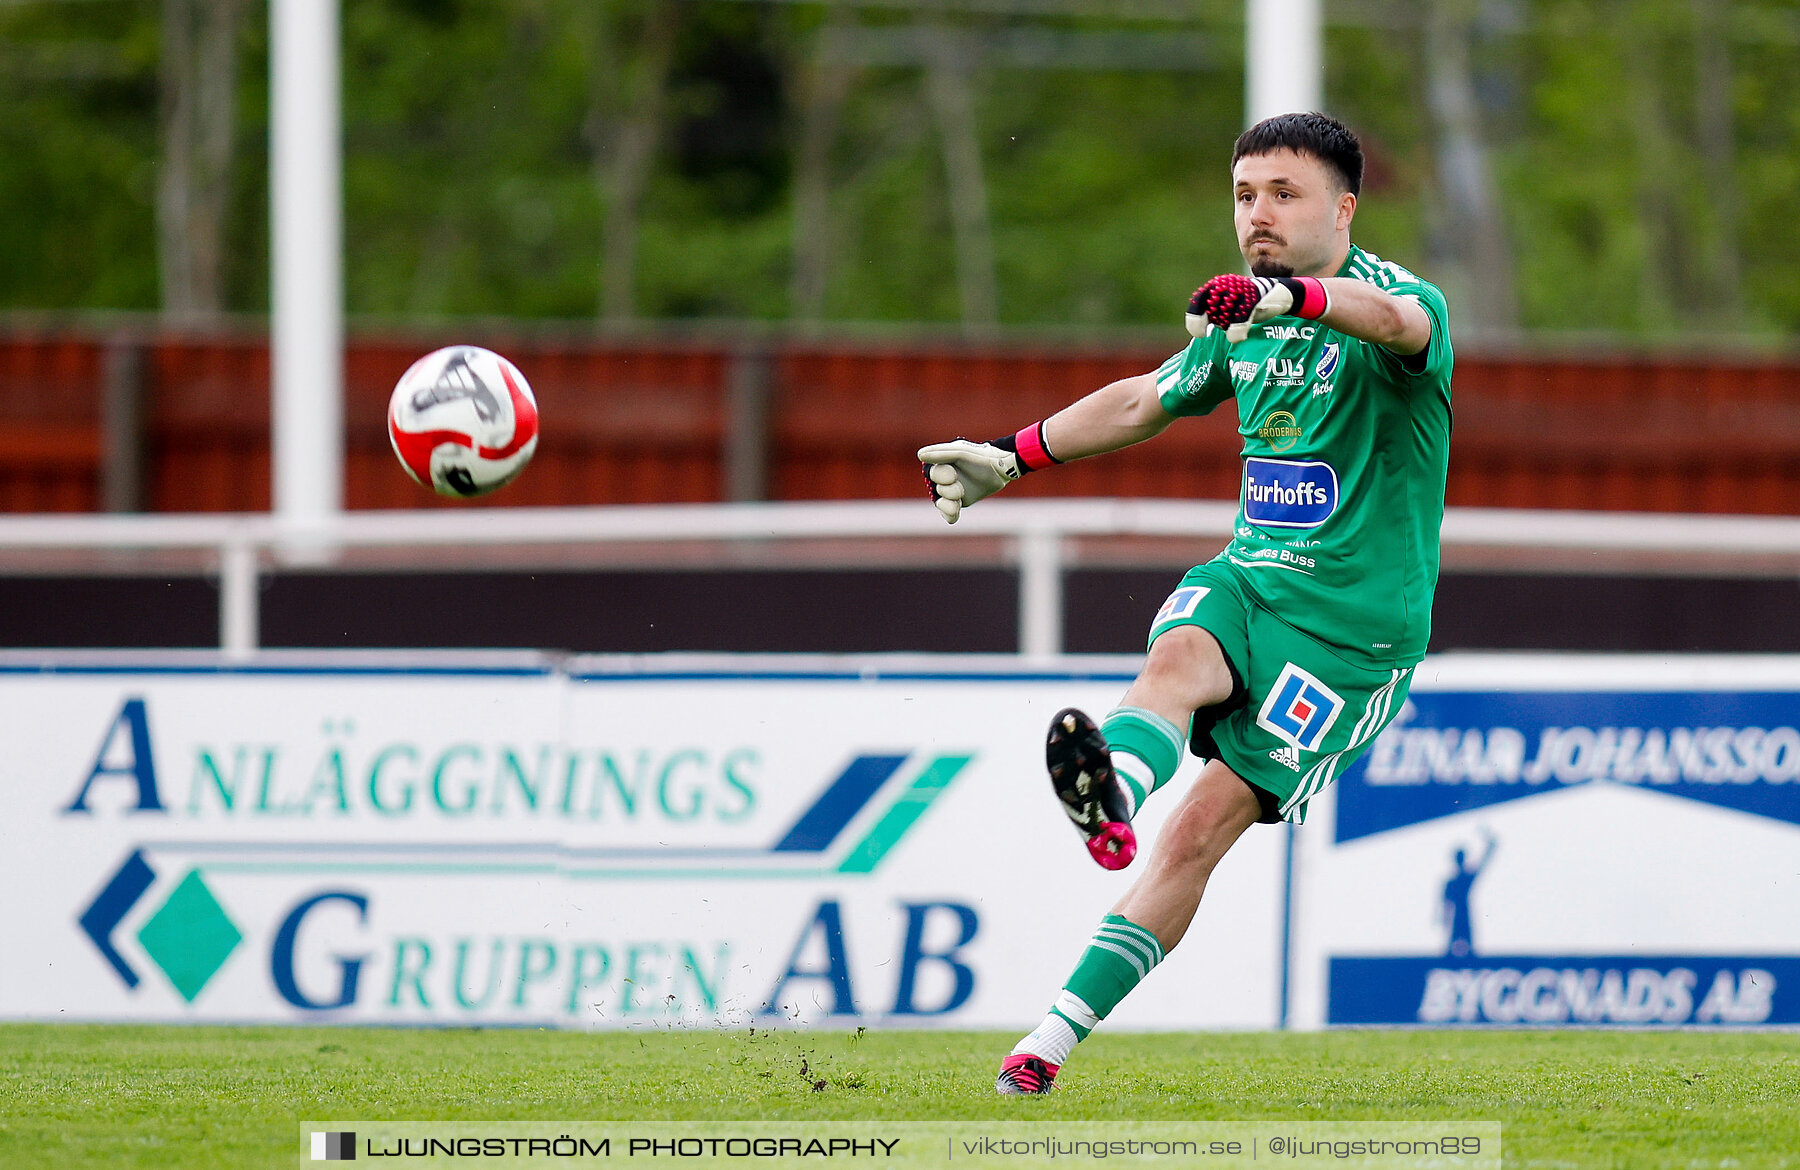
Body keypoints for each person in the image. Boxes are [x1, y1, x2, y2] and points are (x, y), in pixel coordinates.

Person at [917, 111, 1454, 1095]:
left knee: (1201, 827)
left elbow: (1395, 324)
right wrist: (1009, 454)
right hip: (1252, 580)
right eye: (1246, 195)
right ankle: (1111, 788)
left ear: (1344, 207)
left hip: (1352, 641)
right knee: (1172, 665)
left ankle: (1049, 1039)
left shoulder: (1399, 305)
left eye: (1284, 195)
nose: (1259, 213)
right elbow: (1142, 401)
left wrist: (1286, 294)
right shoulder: (1238, 325)